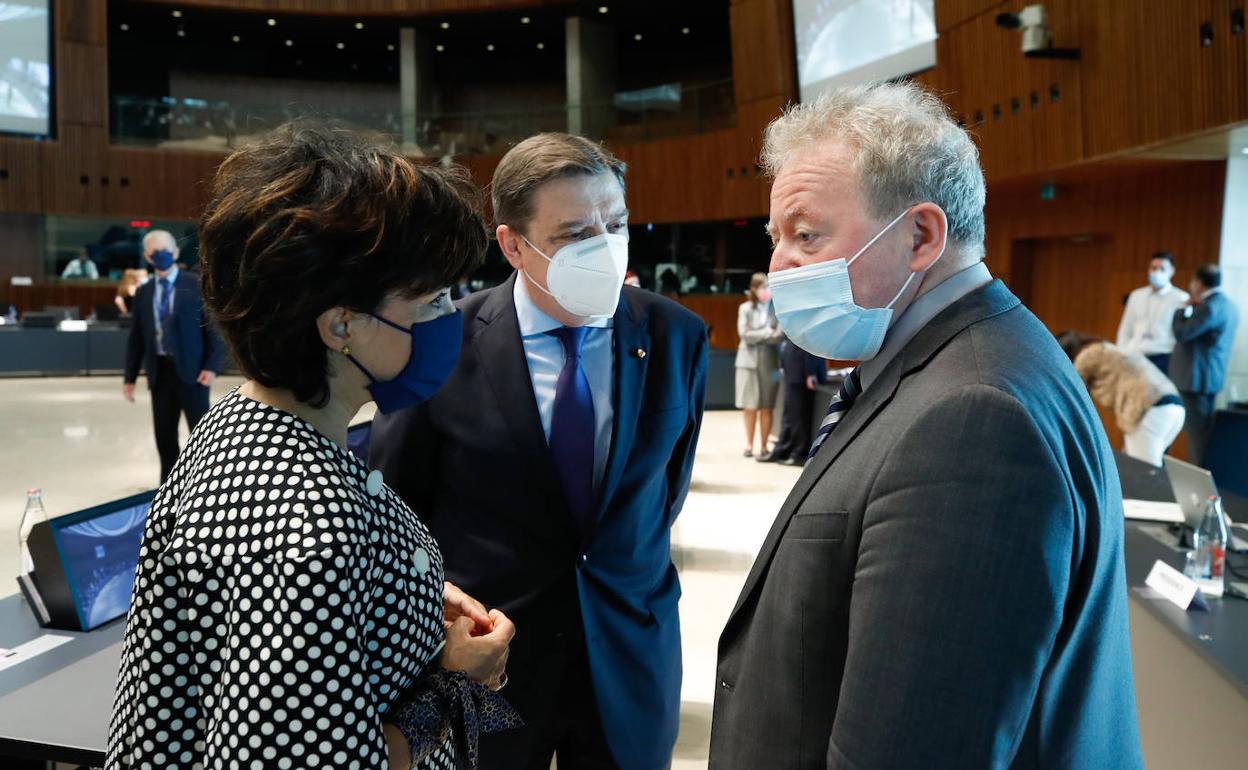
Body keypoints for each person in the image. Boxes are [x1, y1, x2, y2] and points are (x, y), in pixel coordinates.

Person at [710, 83, 1142, 768]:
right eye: (776, 239)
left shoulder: (972, 422)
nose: (779, 266)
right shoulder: (948, 358)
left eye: (806, 234)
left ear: (919, 236)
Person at [108, 124, 517, 770]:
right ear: (340, 324)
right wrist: (458, 677)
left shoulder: (239, 426)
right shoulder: (309, 527)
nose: (453, 315)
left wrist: (404, 596)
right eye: (433, 299)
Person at [370, 132, 708, 770]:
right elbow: (397, 508)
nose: (605, 247)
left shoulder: (674, 335)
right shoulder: (445, 341)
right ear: (513, 245)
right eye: (576, 233)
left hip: (628, 656)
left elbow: (664, 495)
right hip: (489, 664)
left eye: (616, 223)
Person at [122, 230, 225, 482]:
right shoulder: (144, 293)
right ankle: (168, 495)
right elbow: (136, 338)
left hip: (194, 374)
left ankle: (206, 488)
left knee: (203, 439)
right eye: (156, 252)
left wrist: (212, 367)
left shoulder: (196, 285)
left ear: (176, 252)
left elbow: (215, 330)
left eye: (166, 251)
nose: (162, 256)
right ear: (147, 256)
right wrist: (130, 377)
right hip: (160, 374)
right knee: (165, 440)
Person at [1058, 331, 1185, 467]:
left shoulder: (1086, 356)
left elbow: (1070, 393)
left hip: (1149, 409)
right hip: (1174, 407)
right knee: (1142, 466)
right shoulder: (1106, 348)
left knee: (1144, 473)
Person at [1171, 262, 1239, 465]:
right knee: (1201, 431)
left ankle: (1198, 483)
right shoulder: (1228, 305)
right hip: (1208, 377)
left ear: (1199, 283)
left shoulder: (1208, 307)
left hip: (1196, 379)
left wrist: (1181, 310)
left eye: (1193, 281)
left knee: (1197, 435)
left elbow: (1182, 333)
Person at [757, 333, 827, 465]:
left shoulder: (806, 318)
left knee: (798, 417)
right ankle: (783, 449)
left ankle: (799, 454)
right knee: (789, 415)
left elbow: (809, 345)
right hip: (791, 370)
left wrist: (810, 372)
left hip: (801, 372)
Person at [735, 273, 783, 457]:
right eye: (763, 287)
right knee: (749, 406)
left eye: (769, 287)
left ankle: (763, 446)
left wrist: (757, 333)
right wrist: (766, 332)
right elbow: (744, 335)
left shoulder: (777, 309)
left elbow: (779, 335)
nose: (766, 291)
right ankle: (748, 444)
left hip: (770, 364)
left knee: (767, 406)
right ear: (754, 289)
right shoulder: (745, 308)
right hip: (747, 363)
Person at [1117, 251, 1189, 374]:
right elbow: (1126, 327)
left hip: (1164, 355)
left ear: (1171, 271)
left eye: (1162, 269)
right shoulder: (1136, 295)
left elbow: (1183, 334)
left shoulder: (1181, 298)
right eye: (1153, 268)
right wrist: (1121, 352)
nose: (1157, 272)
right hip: (1136, 354)